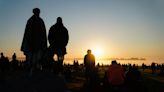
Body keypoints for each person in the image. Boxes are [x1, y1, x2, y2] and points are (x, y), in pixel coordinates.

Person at [21, 8, 47, 75]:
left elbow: (43, 33)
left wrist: (43, 43)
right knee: (31, 58)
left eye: (38, 12)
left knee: (37, 58)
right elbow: (28, 33)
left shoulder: (39, 21)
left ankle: (34, 70)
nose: (38, 13)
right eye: (37, 12)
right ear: (35, 12)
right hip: (32, 43)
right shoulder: (32, 21)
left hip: (37, 43)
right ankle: (30, 70)